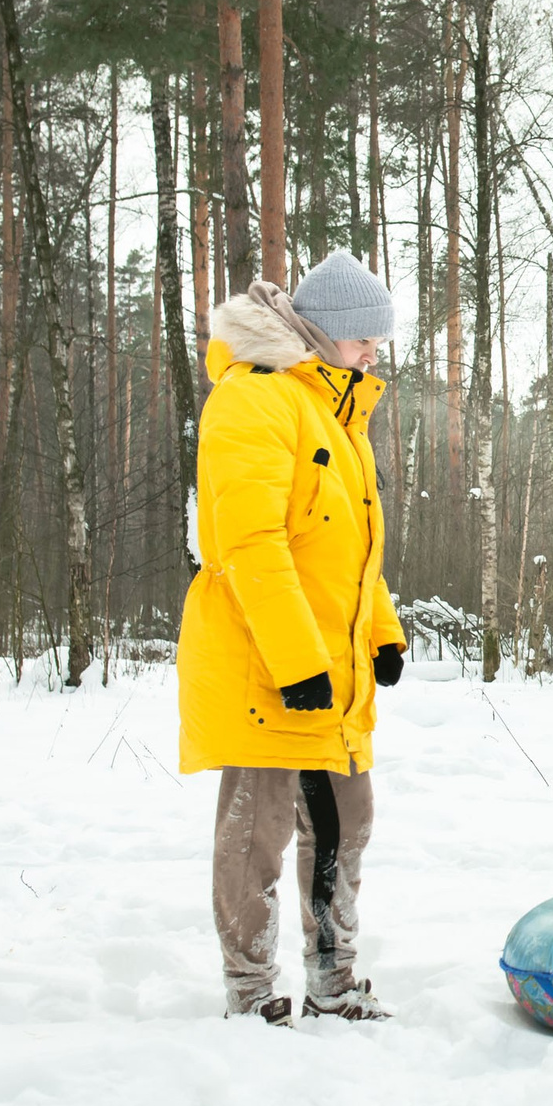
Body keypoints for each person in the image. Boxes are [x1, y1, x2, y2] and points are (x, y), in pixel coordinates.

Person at [178, 254, 407, 1025]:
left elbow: (348, 556)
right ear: (328, 332)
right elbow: (250, 544)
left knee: (347, 820)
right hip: (266, 666)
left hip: (333, 678)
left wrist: (383, 634)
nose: (376, 350)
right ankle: (250, 992)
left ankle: (333, 981)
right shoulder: (258, 401)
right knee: (257, 834)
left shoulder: (342, 421)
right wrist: (298, 660)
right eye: (366, 337)